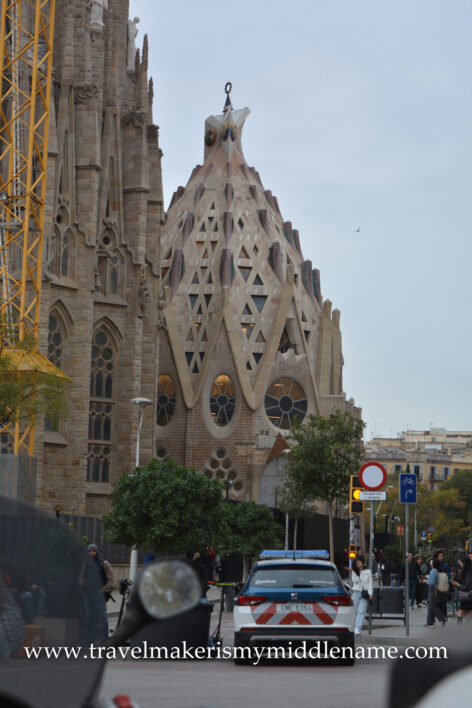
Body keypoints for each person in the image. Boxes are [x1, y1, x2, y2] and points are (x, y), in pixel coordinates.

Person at [79, 544, 114, 643]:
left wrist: (103, 589)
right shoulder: (85, 563)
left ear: (97, 552)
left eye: (94, 551)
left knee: (103, 616)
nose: (92, 553)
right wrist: (83, 584)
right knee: (89, 616)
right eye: (90, 551)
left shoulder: (103, 563)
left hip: (99, 594)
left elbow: (111, 580)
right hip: (88, 594)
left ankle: (104, 638)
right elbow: (81, 578)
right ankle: (90, 638)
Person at [348, 558, 373, 635]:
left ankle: (357, 628)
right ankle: (353, 626)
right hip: (356, 592)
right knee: (355, 611)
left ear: (362, 563)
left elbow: (370, 583)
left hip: (365, 593)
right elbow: (355, 581)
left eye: (360, 563)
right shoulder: (354, 572)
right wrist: (354, 572)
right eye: (357, 564)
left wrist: (370, 593)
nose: (359, 565)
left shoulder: (368, 572)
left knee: (361, 611)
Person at [424, 558, 446, 627]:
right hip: (434, 589)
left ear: (433, 564)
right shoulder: (436, 571)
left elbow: (432, 582)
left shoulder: (433, 571)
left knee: (432, 606)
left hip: (433, 589)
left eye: (431, 562)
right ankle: (429, 622)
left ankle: (443, 618)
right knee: (431, 606)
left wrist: (426, 581)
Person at [451, 551, 472, 622]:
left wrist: (457, 584)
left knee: (461, 612)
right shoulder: (466, 571)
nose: (459, 563)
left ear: (464, 563)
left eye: (460, 562)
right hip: (465, 594)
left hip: (466, 594)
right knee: (466, 612)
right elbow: (463, 580)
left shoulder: (469, 572)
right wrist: (456, 578)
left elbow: (467, 586)